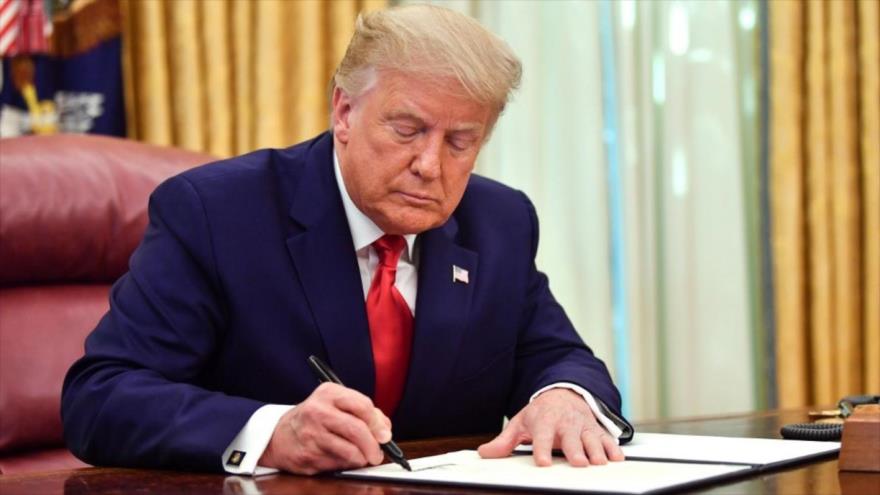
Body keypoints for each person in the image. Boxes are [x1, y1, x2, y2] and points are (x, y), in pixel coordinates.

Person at [61, 4, 632, 476]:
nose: (429, 165)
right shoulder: (216, 213)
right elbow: (101, 398)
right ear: (344, 112)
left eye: (461, 141)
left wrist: (565, 398)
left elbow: (559, 356)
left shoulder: (499, 219)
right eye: (407, 130)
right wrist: (272, 431)